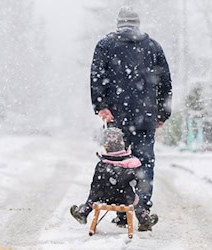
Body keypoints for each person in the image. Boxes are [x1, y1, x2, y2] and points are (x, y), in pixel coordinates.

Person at [90, 6, 172, 230]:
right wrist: (162, 114)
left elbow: (97, 76)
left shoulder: (105, 45)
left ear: (118, 23)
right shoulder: (153, 47)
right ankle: (142, 210)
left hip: (116, 117)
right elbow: (165, 83)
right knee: (144, 163)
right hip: (145, 116)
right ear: (138, 24)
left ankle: (122, 209)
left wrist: (102, 106)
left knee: (117, 164)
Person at [70, 128, 158, 231]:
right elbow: (139, 184)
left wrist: (96, 195)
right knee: (135, 199)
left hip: (103, 197)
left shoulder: (102, 164)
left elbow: (95, 185)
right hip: (125, 198)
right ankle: (144, 220)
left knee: (95, 192)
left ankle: (83, 212)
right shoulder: (131, 163)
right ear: (122, 143)